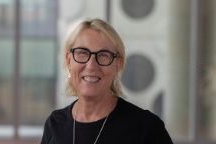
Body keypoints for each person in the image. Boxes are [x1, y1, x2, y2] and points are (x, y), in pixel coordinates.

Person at [41, 18, 173, 144]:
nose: (91, 65)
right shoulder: (55, 124)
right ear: (69, 60)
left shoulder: (146, 128)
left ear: (118, 64)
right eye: (82, 53)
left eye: (103, 55)